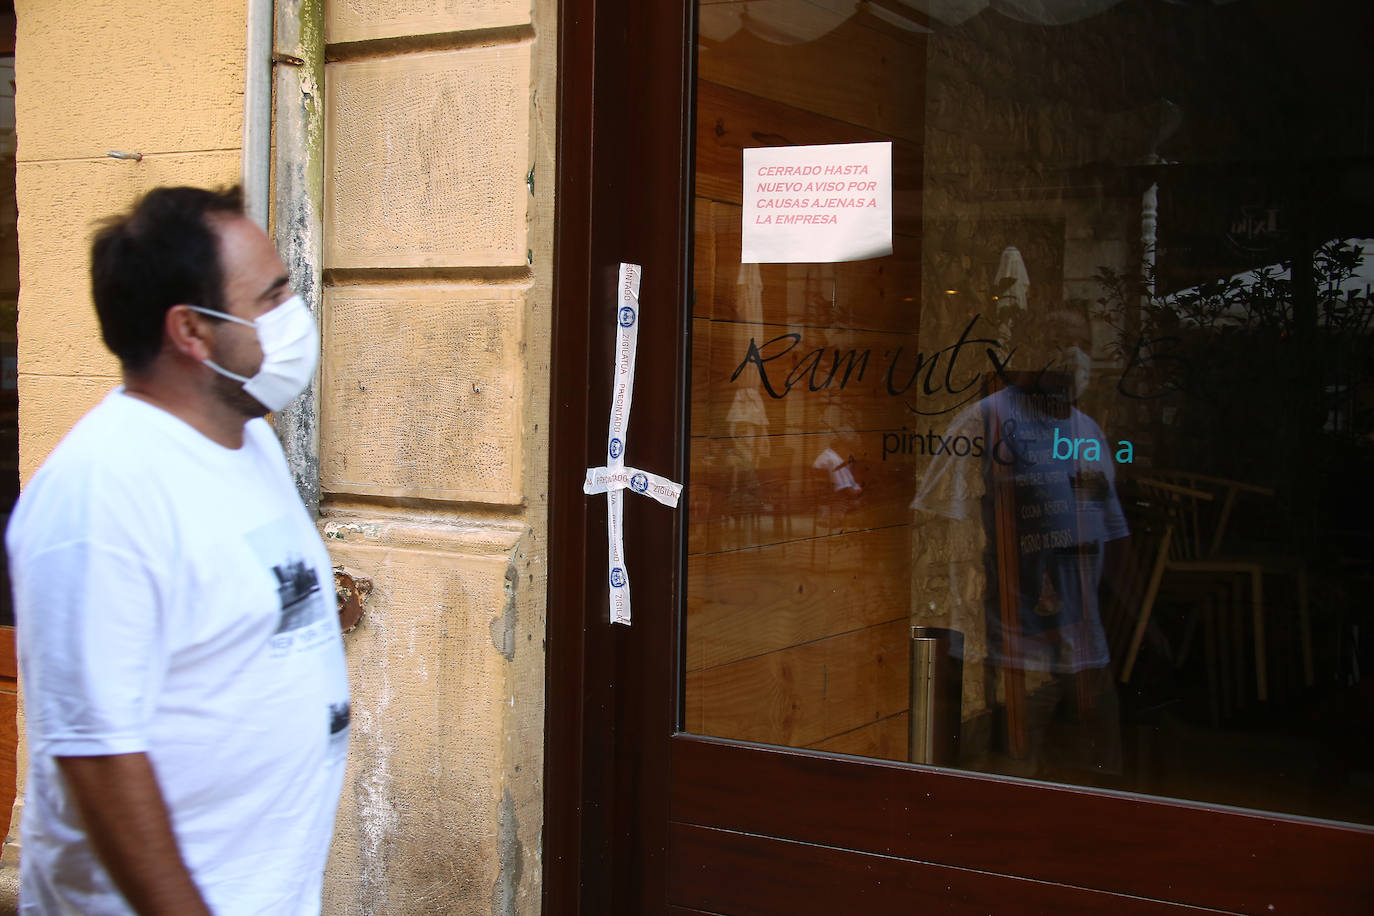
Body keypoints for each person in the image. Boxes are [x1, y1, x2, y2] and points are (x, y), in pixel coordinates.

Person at [6, 186, 350, 915]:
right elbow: (98, 756)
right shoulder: (100, 498)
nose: (295, 315)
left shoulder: (246, 438)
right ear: (192, 331)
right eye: (272, 296)